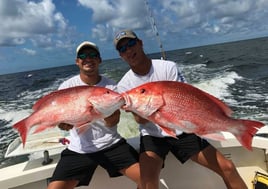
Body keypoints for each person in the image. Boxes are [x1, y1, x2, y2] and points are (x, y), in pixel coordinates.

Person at [114, 30, 247, 189]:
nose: (128, 50)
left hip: (182, 130)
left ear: (140, 43)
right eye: (122, 49)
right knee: (146, 183)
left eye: (131, 44)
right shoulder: (124, 86)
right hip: (153, 135)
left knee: (228, 168)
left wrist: (200, 124)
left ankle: (238, 127)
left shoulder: (167, 67)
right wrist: (138, 110)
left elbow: (186, 101)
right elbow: (140, 120)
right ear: (120, 56)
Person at [47, 41, 141, 189]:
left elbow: (112, 122)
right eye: (83, 55)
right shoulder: (67, 87)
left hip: (111, 144)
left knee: (146, 180)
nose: (88, 58)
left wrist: (105, 110)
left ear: (99, 60)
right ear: (77, 61)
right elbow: (61, 120)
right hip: (79, 149)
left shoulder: (111, 87)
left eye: (93, 55)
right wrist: (63, 123)